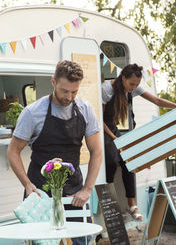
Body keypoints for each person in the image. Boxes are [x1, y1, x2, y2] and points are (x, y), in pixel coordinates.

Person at [7, 60, 102, 245]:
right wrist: (27, 185)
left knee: (80, 242)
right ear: (53, 82)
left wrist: (87, 189)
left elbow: (96, 150)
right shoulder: (33, 113)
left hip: (74, 194)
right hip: (40, 194)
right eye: (64, 91)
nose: (69, 97)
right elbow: (13, 151)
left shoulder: (85, 110)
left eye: (74, 91)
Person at [102, 63, 176, 221]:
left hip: (113, 128)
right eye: (132, 84)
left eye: (137, 85)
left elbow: (157, 101)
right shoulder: (107, 89)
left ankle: (132, 205)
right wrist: (114, 139)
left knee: (129, 160)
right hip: (103, 129)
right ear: (123, 78)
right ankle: (109, 203)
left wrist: (175, 106)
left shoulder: (133, 87)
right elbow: (99, 118)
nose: (134, 88)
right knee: (111, 161)